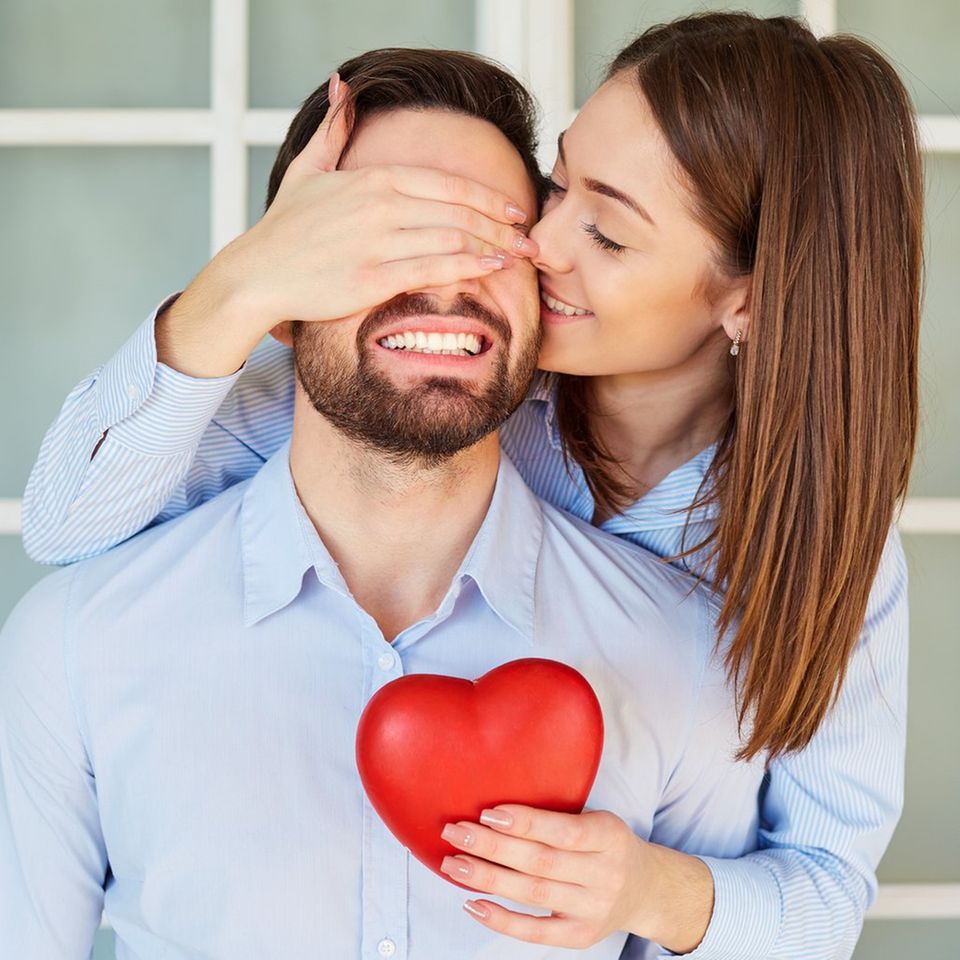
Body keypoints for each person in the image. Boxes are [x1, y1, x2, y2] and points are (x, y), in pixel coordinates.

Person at [17, 11, 919, 960]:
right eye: (557, 186)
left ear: (749, 298)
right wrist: (251, 278)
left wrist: (648, 889)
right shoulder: (432, 382)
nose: (539, 243)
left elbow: (824, 885)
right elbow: (71, 525)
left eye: (606, 233)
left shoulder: (810, 560)